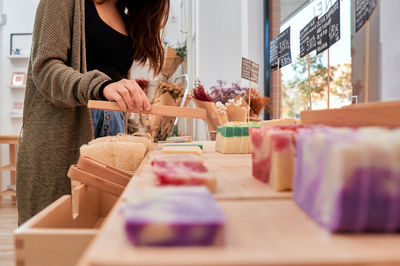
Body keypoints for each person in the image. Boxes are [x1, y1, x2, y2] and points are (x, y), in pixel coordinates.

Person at [16, 0, 170, 225]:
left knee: (105, 235)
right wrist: (99, 86)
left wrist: (136, 133)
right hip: (63, 139)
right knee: (58, 239)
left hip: (112, 136)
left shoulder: (125, 12)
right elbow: (45, 69)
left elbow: (116, 80)